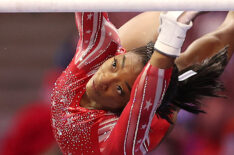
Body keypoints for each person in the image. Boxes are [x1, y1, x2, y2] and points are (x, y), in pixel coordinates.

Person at [51, 11, 233, 155]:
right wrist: (175, 29)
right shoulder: (117, 143)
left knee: (162, 22)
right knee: (185, 67)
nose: (105, 79)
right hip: (148, 118)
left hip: (138, 100)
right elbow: (145, 97)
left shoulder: (90, 59)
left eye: (119, 89)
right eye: (114, 64)